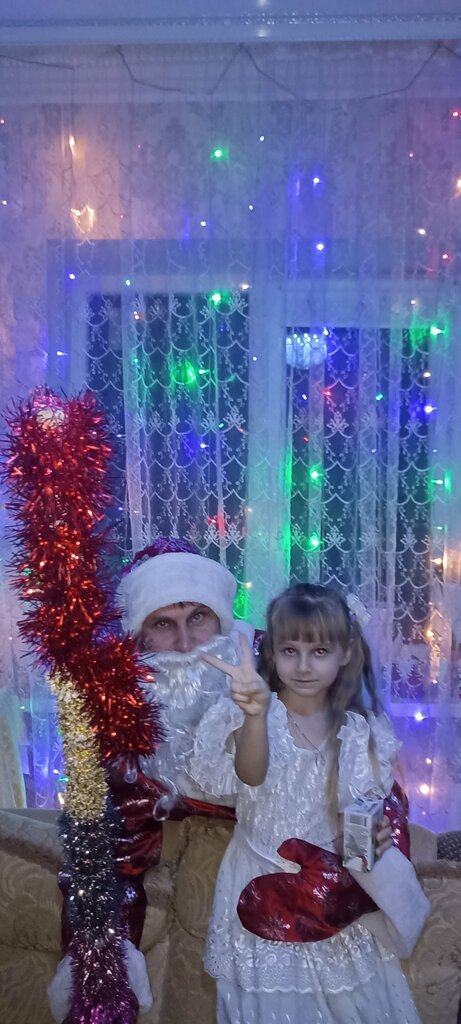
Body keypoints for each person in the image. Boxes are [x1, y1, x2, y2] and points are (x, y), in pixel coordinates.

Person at [183, 583, 430, 1024]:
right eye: (289, 650)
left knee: (352, 1006)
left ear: (346, 652)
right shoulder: (255, 714)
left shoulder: (362, 731)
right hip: (261, 892)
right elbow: (250, 773)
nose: (302, 665)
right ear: (272, 653)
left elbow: (366, 816)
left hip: (333, 897)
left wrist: (376, 836)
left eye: (318, 651)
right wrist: (254, 716)